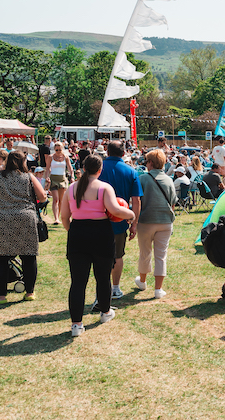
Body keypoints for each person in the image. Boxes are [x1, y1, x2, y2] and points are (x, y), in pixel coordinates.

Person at [60, 154, 135, 338]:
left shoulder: (72, 188)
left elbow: (64, 217)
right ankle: (105, 312)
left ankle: (76, 324)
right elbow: (115, 210)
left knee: (78, 282)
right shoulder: (104, 187)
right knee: (102, 277)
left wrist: (74, 231)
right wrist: (131, 214)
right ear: (100, 170)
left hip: (78, 232)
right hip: (101, 233)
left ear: (83, 168)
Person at [0, 150, 47, 304]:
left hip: (0, 219)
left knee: (0, 258)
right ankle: (30, 292)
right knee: (28, 256)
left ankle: (1, 296)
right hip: (25, 219)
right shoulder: (28, 177)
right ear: (24, 162)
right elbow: (42, 196)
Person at [98, 140, 142, 301]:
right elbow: (136, 201)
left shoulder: (98, 168)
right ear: (124, 153)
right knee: (117, 256)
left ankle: (103, 288)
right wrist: (134, 224)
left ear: (107, 152)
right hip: (120, 220)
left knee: (101, 256)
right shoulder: (131, 171)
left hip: (99, 219)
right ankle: (115, 288)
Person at [134, 149, 176, 299]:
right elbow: (173, 203)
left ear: (150, 163)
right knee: (161, 255)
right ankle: (158, 289)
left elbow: (138, 201)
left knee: (145, 252)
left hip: (146, 221)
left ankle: (143, 281)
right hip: (165, 221)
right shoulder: (169, 180)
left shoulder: (143, 178)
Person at [47, 142, 74, 225]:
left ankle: (59, 217)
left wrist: (72, 176)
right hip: (53, 179)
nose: (58, 151)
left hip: (62, 179)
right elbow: (48, 168)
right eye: (56, 149)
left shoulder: (65, 157)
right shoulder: (50, 157)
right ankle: (56, 218)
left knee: (61, 200)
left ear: (62, 149)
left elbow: (70, 168)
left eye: (60, 149)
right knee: (55, 199)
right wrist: (47, 178)